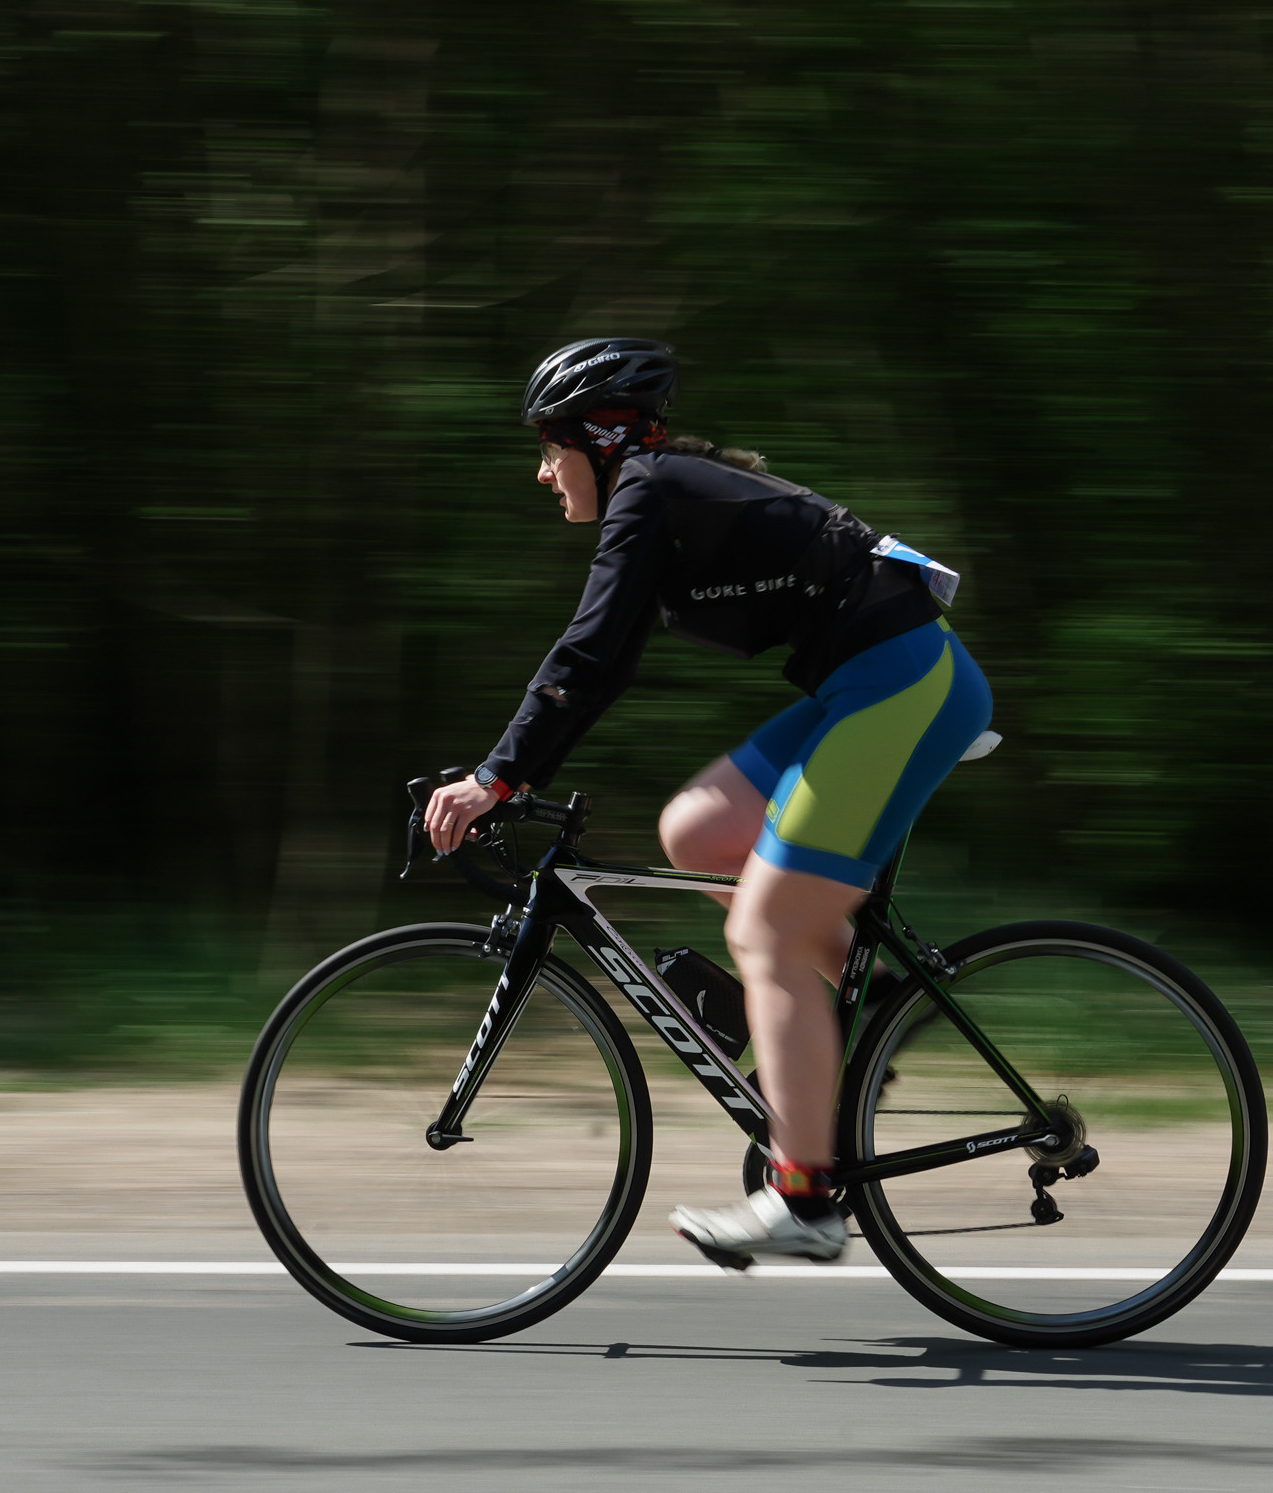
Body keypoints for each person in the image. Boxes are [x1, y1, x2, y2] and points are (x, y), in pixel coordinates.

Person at [421, 337, 992, 1266]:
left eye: (548, 449)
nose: (540, 472)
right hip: (867, 685)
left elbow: (589, 653)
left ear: (597, 439)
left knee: (765, 931)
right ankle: (870, 1002)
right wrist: (514, 769)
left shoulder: (648, 488)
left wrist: (495, 780)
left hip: (905, 685)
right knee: (698, 829)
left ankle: (804, 1199)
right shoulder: (661, 492)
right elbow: (599, 667)